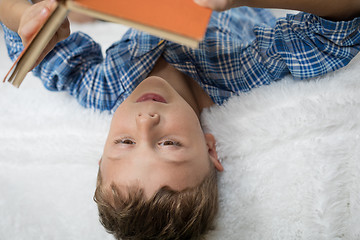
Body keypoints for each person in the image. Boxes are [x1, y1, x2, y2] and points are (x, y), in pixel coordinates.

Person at [0, 0, 359, 239]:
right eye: (168, 144)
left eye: (124, 143)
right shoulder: (244, 73)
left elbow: (20, 27)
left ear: (103, 149)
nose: (145, 121)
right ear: (209, 147)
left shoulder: (102, 87)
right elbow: (342, 24)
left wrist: (23, 17)